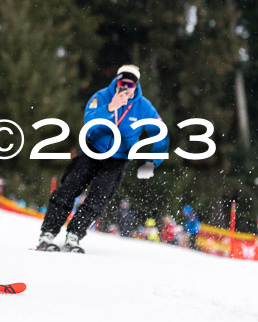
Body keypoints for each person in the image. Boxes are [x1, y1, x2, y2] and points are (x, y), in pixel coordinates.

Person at [36, 65, 169, 253]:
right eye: (123, 82)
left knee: (98, 198)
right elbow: (89, 121)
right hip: (93, 150)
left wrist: (152, 162)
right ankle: (48, 233)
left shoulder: (144, 107)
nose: (125, 87)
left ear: (136, 85)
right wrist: (109, 108)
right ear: (117, 81)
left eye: (130, 83)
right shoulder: (102, 96)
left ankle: (74, 235)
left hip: (118, 158)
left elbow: (161, 134)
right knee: (68, 189)